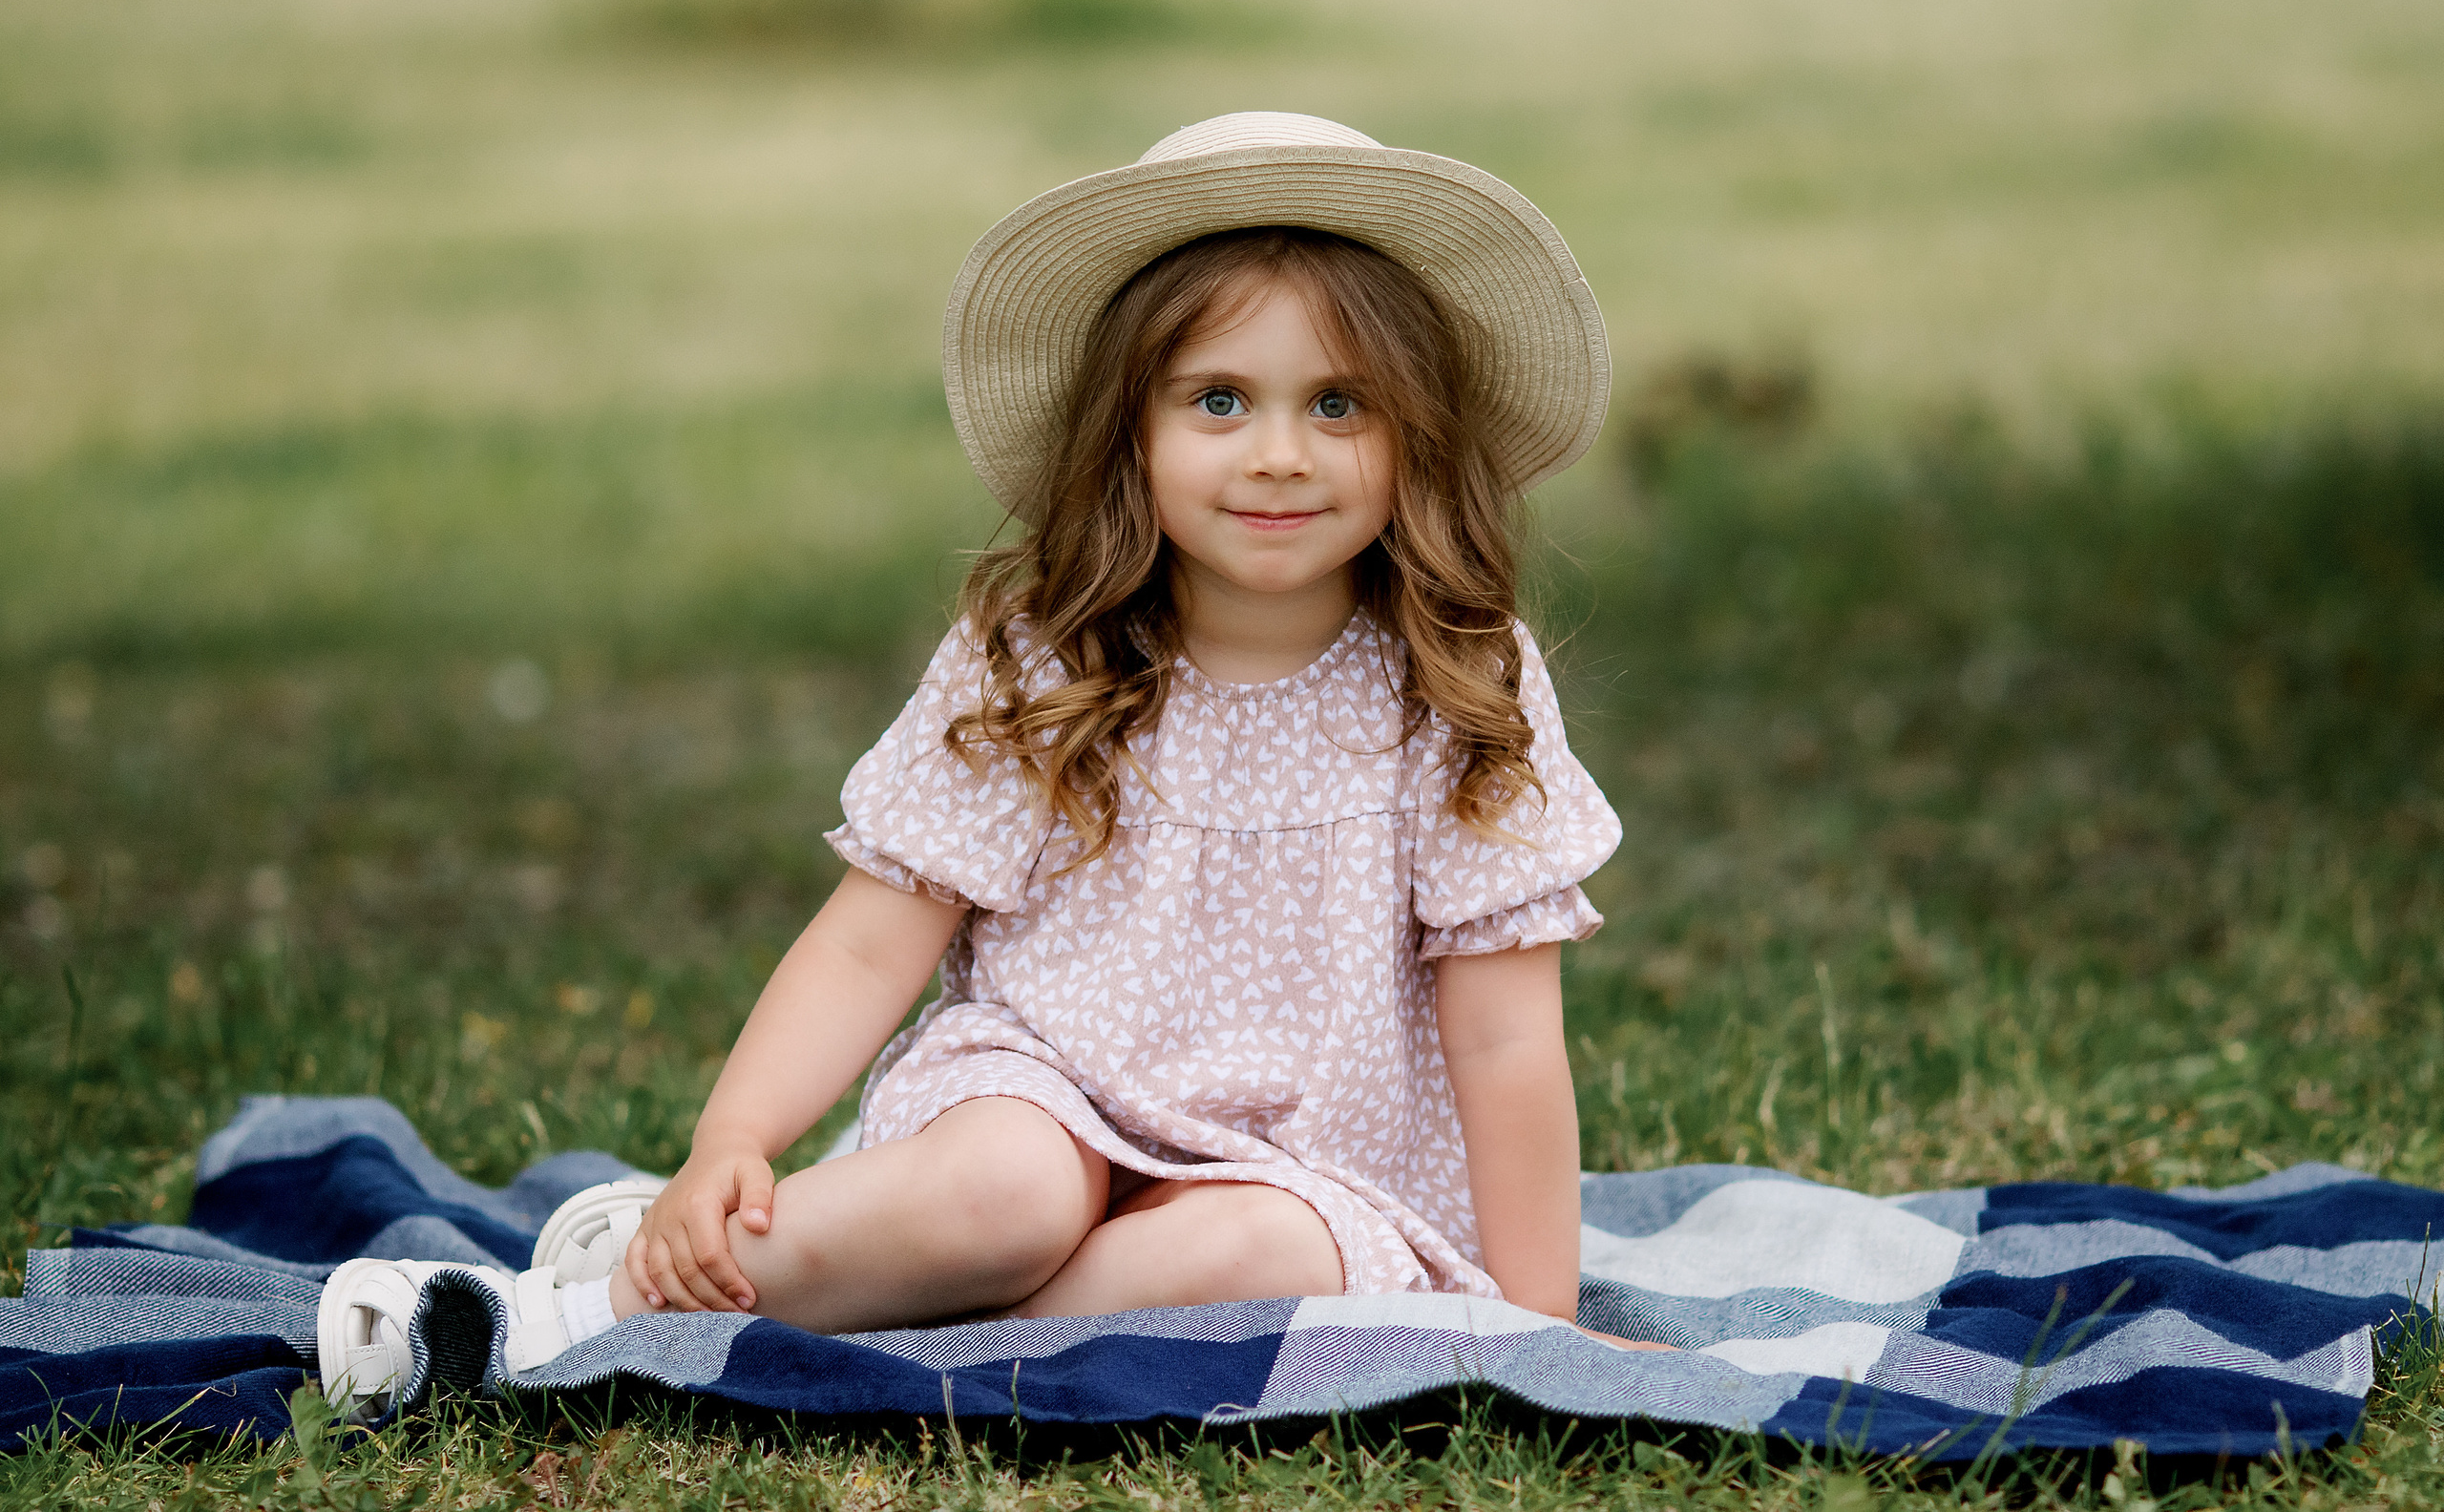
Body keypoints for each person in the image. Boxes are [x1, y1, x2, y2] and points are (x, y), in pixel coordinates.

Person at [317, 112, 1663, 1418]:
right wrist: (730, 1143)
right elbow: (867, 947)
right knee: (1008, 1197)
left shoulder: (1460, 677)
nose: (1276, 454)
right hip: (1039, 1102)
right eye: (1217, 399)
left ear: (1417, 432)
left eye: (1337, 404)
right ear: (1128, 426)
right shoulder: (1045, 656)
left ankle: (855, 1310)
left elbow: (1502, 1032)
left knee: (1257, 1262)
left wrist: (1539, 1324)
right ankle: (556, 1318)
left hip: (1303, 1167)